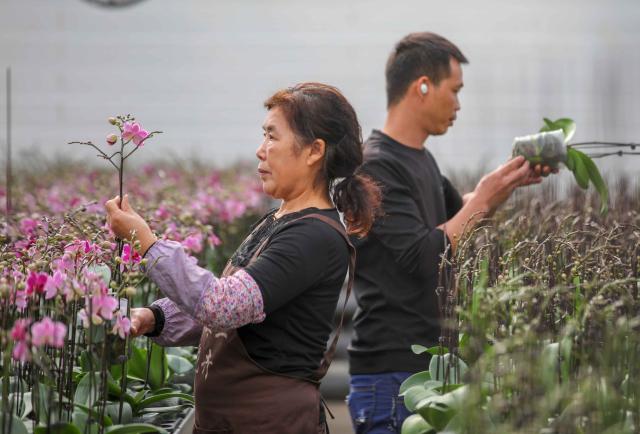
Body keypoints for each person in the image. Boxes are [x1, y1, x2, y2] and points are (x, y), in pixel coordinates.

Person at [105, 82, 381, 434]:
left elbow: (224, 305)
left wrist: (145, 241)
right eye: (262, 136)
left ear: (314, 151)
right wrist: (156, 317)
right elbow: (243, 309)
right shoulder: (280, 220)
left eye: (272, 137)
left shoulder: (314, 236)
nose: (260, 150)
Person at [347, 32, 554, 433]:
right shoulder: (375, 166)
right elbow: (425, 254)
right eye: (454, 90)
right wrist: (483, 199)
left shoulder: (419, 159)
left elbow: (459, 218)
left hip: (425, 371)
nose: (458, 104)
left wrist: (507, 183)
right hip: (392, 377)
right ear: (422, 86)